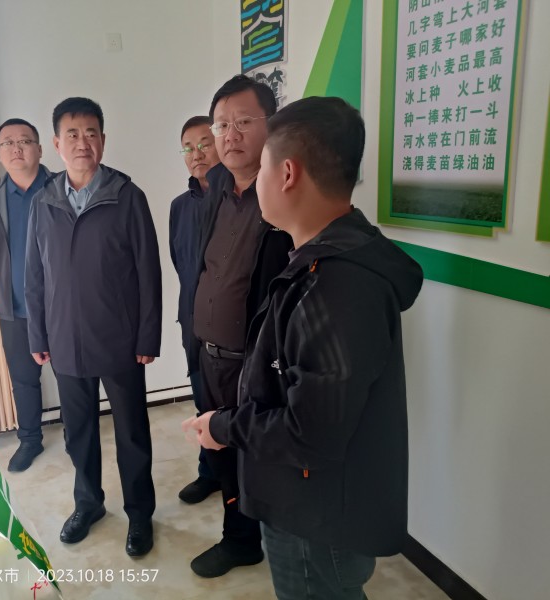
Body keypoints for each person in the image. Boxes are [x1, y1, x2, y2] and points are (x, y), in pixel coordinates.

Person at [187, 96, 424, 599]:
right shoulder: (319, 261)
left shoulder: (338, 285)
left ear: (287, 173)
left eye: (263, 166)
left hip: (317, 515)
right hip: (304, 497)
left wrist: (225, 427)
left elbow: (309, 432)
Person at [25, 97, 161, 557]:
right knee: (77, 431)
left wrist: (147, 335)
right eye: (73, 134)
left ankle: (139, 512)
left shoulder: (127, 196)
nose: (82, 142)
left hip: (119, 339)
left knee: (131, 431)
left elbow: (148, 273)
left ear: (103, 139)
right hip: (65, 339)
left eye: (91, 133)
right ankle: (88, 504)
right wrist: (38, 334)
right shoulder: (44, 202)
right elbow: (34, 275)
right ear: (56, 144)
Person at [188, 75, 293, 578]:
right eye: (222, 124)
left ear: (271, 125)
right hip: (209, 354)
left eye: (244, 122)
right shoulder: (215, 191)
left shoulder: (284, 195)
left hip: (252, 363)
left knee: (254, 455)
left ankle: (257, 539)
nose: (230, 135)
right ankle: (240, 538)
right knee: (222, 453)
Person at [0, 118, 53, 472]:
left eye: (24, 141)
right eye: (8, 143)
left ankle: (79, 434)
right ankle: (30, 439)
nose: (16, 148)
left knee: (73, 376)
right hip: (14, 307)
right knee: (23, 379)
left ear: (40, 148)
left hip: (61, 305)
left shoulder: (61, 187)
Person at [169, 116, 221, 504]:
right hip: (193, 322)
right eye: (188, 147)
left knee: (235, 406)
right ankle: (210, 472)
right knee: (203, 399)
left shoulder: (239, 198)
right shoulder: (179, 207)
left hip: (232, 326)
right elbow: (180, 263)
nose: (196, 153)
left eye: (204, 143)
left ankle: (243, 481)